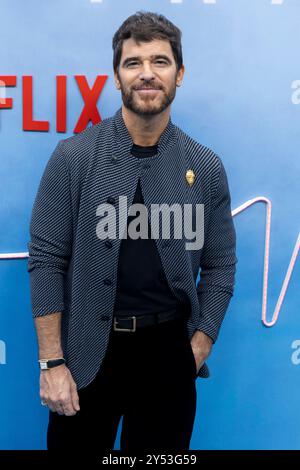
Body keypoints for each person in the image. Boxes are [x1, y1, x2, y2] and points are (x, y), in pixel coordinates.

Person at [27, 11, 237, 454]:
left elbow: (220, 266)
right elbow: (46, 261)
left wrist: (199, 344)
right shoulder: (73, 158)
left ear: (179, 74)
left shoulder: (206, 166)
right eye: (133, 62)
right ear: (116, 75)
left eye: (160, 62)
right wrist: (52, 362)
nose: (146, 74)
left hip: (169, 355)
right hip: (86, 351)